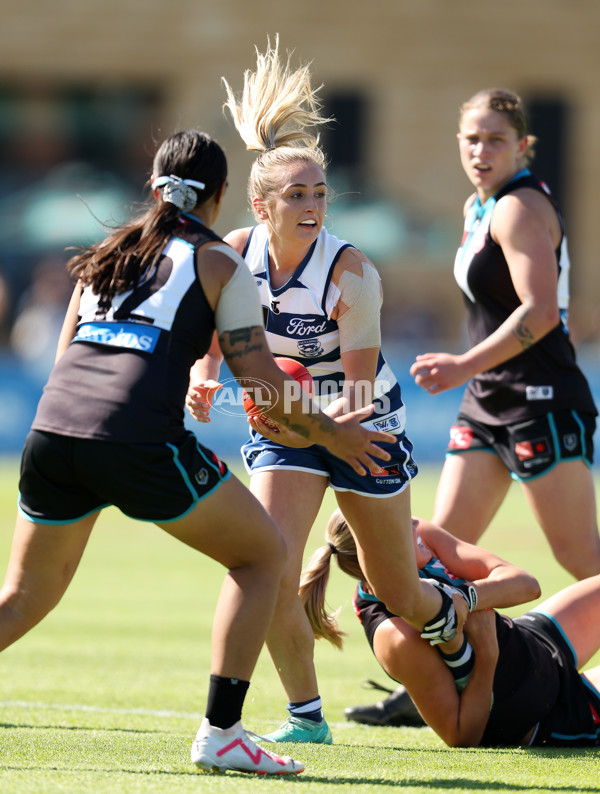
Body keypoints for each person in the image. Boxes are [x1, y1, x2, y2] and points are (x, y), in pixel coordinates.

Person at [0, 129, 399, 777]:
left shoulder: (106, 252)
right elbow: (266, 381)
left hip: (53, 433)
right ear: (221, 197)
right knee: (263, 553)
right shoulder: (218, 260)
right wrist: (333, 433)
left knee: (21, 597)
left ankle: (261, 724)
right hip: (134, 438)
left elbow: (67, 359)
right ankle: (223, 732)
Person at [186, 39, 463, 744]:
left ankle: (457, 631)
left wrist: (297, 415)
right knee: (270, 565)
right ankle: (306, 719)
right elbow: (218, 331)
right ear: (260, 204)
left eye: (319, 194)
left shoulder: (352, 274)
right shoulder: (236, 253)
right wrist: (205, 374)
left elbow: (360, 387)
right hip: (291, 425)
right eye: (296, 195)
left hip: (360, 421)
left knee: (396, 589)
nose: (312, 207)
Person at [409, 88, 600, 581]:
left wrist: (461, 364)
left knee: (582, 562)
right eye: (472, 139)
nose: (481, 150)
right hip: (487, 397)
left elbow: (540, 314)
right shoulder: (478, 206)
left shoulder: (518, 208)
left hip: (542, 399)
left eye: (496, 139)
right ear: (458, 142)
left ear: (523, 145)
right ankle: (464, 658)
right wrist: (472, 372)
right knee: (436, 549)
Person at [303, 509, 600, 748]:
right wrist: (487, 654)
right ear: (381, 549)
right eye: (396, 517)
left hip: (531, 640)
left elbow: (526, 585)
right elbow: (462, 735)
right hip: (548, 710)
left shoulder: (420, 535)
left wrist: (466, 597)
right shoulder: (393, 636)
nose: (412, 520)